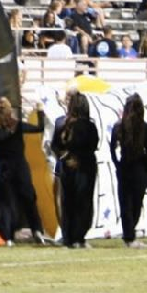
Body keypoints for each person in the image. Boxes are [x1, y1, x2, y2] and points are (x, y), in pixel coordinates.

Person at [0, 97, 46, 246]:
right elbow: (39, 128)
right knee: (29, 200)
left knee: (5, 204)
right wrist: (40, 111)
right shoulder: (18, 126)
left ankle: (8, 237)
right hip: (21, 167)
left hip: (3, 168)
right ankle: (37, 231)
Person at [52, 92, 99, 248]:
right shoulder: (89, 126)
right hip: (85, 167)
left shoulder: (62, 125)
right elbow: (93, 145)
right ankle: (79, 237)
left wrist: (66, 158)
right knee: (83, 203)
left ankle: (68, 238)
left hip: (67, 167)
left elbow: (55, 146)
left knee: (68, 202)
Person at [110, 94, 147, 247]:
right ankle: (130, 234)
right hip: (139, 169)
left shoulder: (118, 127)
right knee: (135, 203)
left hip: (124, 167)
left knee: (125, 203)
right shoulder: (145, 127)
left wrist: (117, 164)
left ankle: (129, 235)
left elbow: (112, 149)